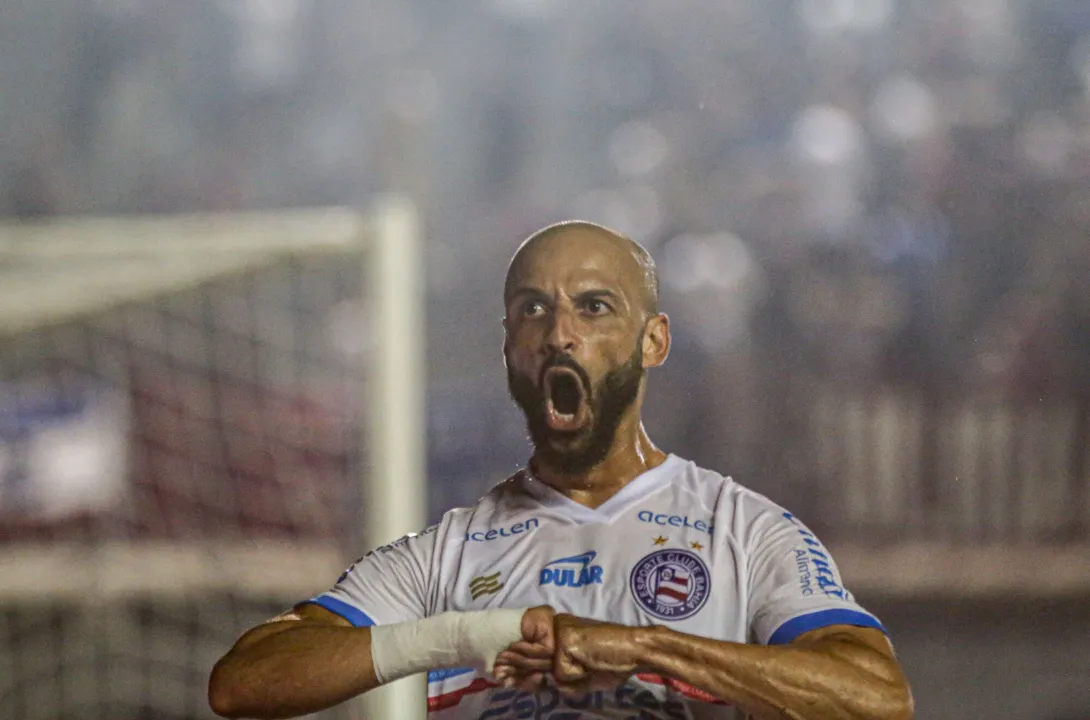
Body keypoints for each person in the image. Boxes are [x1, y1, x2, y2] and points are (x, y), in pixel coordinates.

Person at [208, 221, 914, 720]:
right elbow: (243, 684)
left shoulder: (742, 531)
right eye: (532, 310)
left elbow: (877, 699)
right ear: (511, 347)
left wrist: (641, 648)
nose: (560, 331)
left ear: (653, 341)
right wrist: (470, 635)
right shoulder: (447, 554)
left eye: (594, 307)